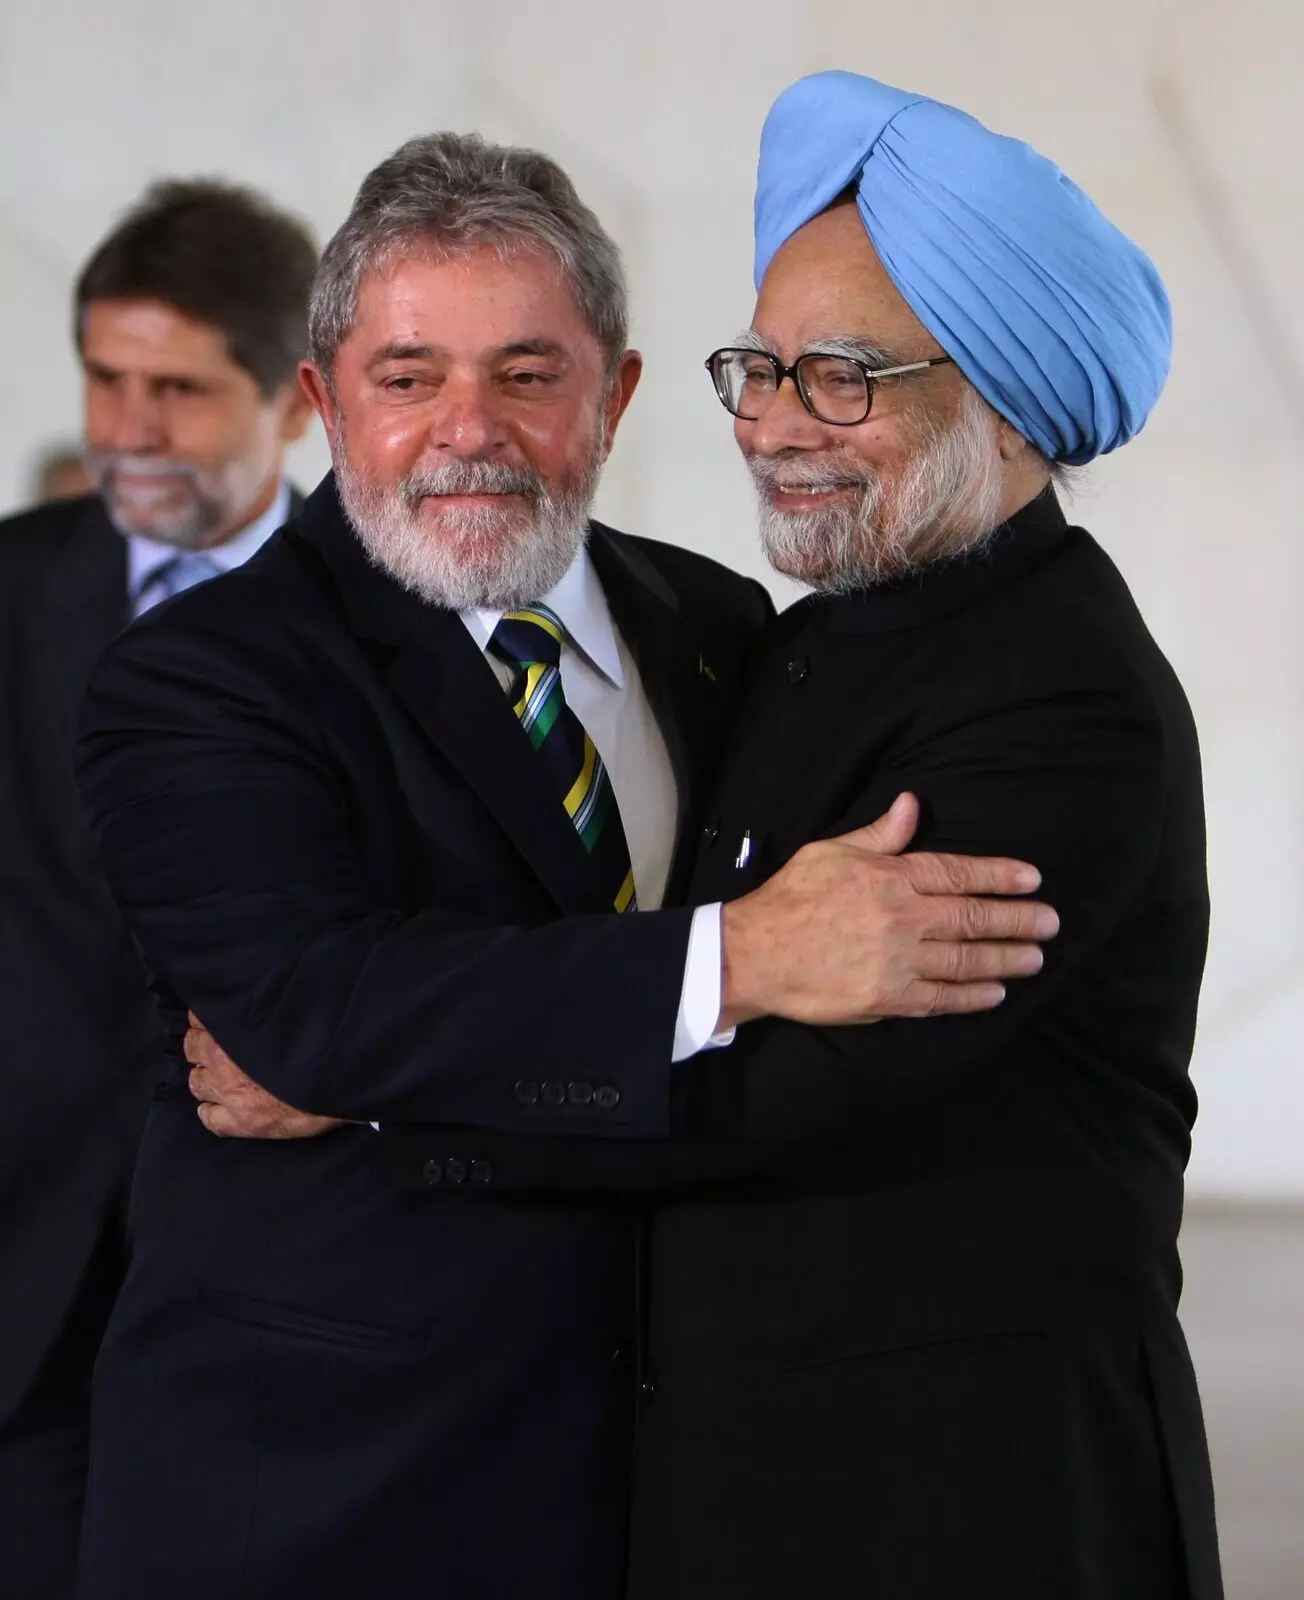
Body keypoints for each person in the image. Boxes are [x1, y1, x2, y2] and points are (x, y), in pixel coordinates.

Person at [73, 133, 1056, 1600]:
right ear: (324, 402)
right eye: (408, 378)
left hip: (672, 1481)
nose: (467, 430)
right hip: (323, 1502)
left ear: (617, 395)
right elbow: (311, 1008)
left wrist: (390, 1074)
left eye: (527, 374)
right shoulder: (201, 678)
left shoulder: (724, 630)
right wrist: (741, 958)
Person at [374, 73, 1225, 1598]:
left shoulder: (1062, 695)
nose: (771, 425)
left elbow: (771, 1094)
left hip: (977, 1509)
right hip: (771, 1494)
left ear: (1005, 402)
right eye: (759, 368)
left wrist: (378, 1092)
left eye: (841, 376)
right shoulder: (814, 638)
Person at [0, 178, 316, 1599]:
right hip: (24, 1304)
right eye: (105, 379)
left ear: (296, 401)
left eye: (177, 391)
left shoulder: (406, 618)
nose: (125, 429)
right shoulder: (9, 590)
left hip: (289, 1303)